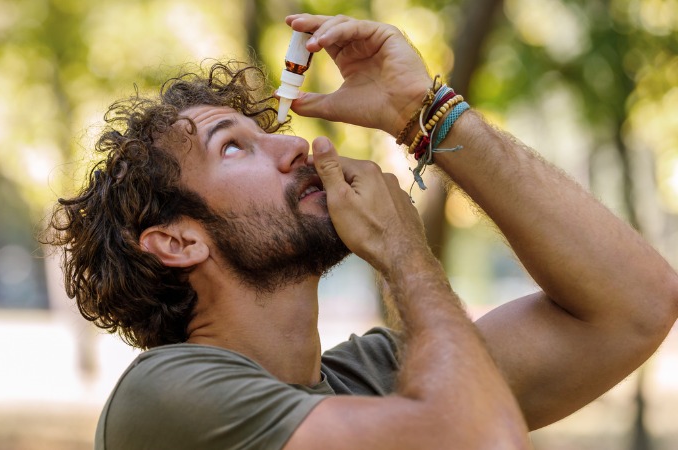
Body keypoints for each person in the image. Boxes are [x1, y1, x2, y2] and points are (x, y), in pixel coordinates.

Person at [44, 13, 678, 450]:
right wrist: (405, 255)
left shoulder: (374, 379)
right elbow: (480, 439)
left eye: (268, 132)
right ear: (178, 241)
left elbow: (637, 303)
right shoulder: (167, 397)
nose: (294, 146)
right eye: (233, 147)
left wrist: (425, 114)